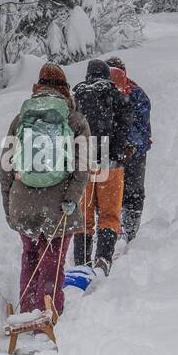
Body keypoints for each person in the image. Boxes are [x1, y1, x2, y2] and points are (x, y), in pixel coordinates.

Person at [0, 63, 92, 315]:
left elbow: (6, 166)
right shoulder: (75, 120)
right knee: (53, 261)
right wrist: (71, 199)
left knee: (30, 256)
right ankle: (47, 317)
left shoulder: (20, 120)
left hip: (22, 202)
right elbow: (82, 168)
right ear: (65, 88)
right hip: (58, 204)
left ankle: (28, 312)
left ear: (38, 86)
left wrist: (8, 205)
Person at [71, 59, 131, 274]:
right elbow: (125, 124)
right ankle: (104, 258)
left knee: (83, 216)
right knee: (109, 214)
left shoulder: (76, 93)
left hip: (84, 160)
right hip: (110, 161)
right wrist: (117, 151)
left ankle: (81, 262)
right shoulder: (114, 93)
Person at [107, 56, 151, 243]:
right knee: (119, 192)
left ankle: (129, 234)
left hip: (131, 152)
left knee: (129, 192)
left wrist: (128, 144)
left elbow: (142, 128)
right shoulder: (134, 94)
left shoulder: (136, 95)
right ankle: (114, 230)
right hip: (115, 151)